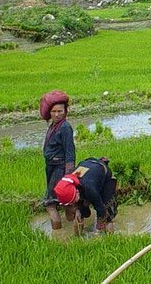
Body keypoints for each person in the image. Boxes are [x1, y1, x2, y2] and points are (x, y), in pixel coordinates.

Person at [39, 90, 76, 230]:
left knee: (49, 202)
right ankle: (72, 226)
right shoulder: (54, 125)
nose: (56, 114)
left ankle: (58, 233)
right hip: (52, 167)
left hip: (59, 168)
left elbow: (70, 151)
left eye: (60, 111)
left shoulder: (65, 127)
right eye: (54, 111)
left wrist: (69, 175)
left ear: (66, 111)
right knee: (65, 201)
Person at [54, 157, 118, 235]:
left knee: (107, 213)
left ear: (77, 192)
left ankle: (109, 238)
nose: (72, 205)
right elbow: (80, 207)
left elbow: (101, 210)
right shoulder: (69, 183)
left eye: (72, 202)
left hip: (102, 173)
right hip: (88, 167)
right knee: (81, 212)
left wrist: (98, 229)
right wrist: (78, 210)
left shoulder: (90, 189)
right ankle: (79, 237)